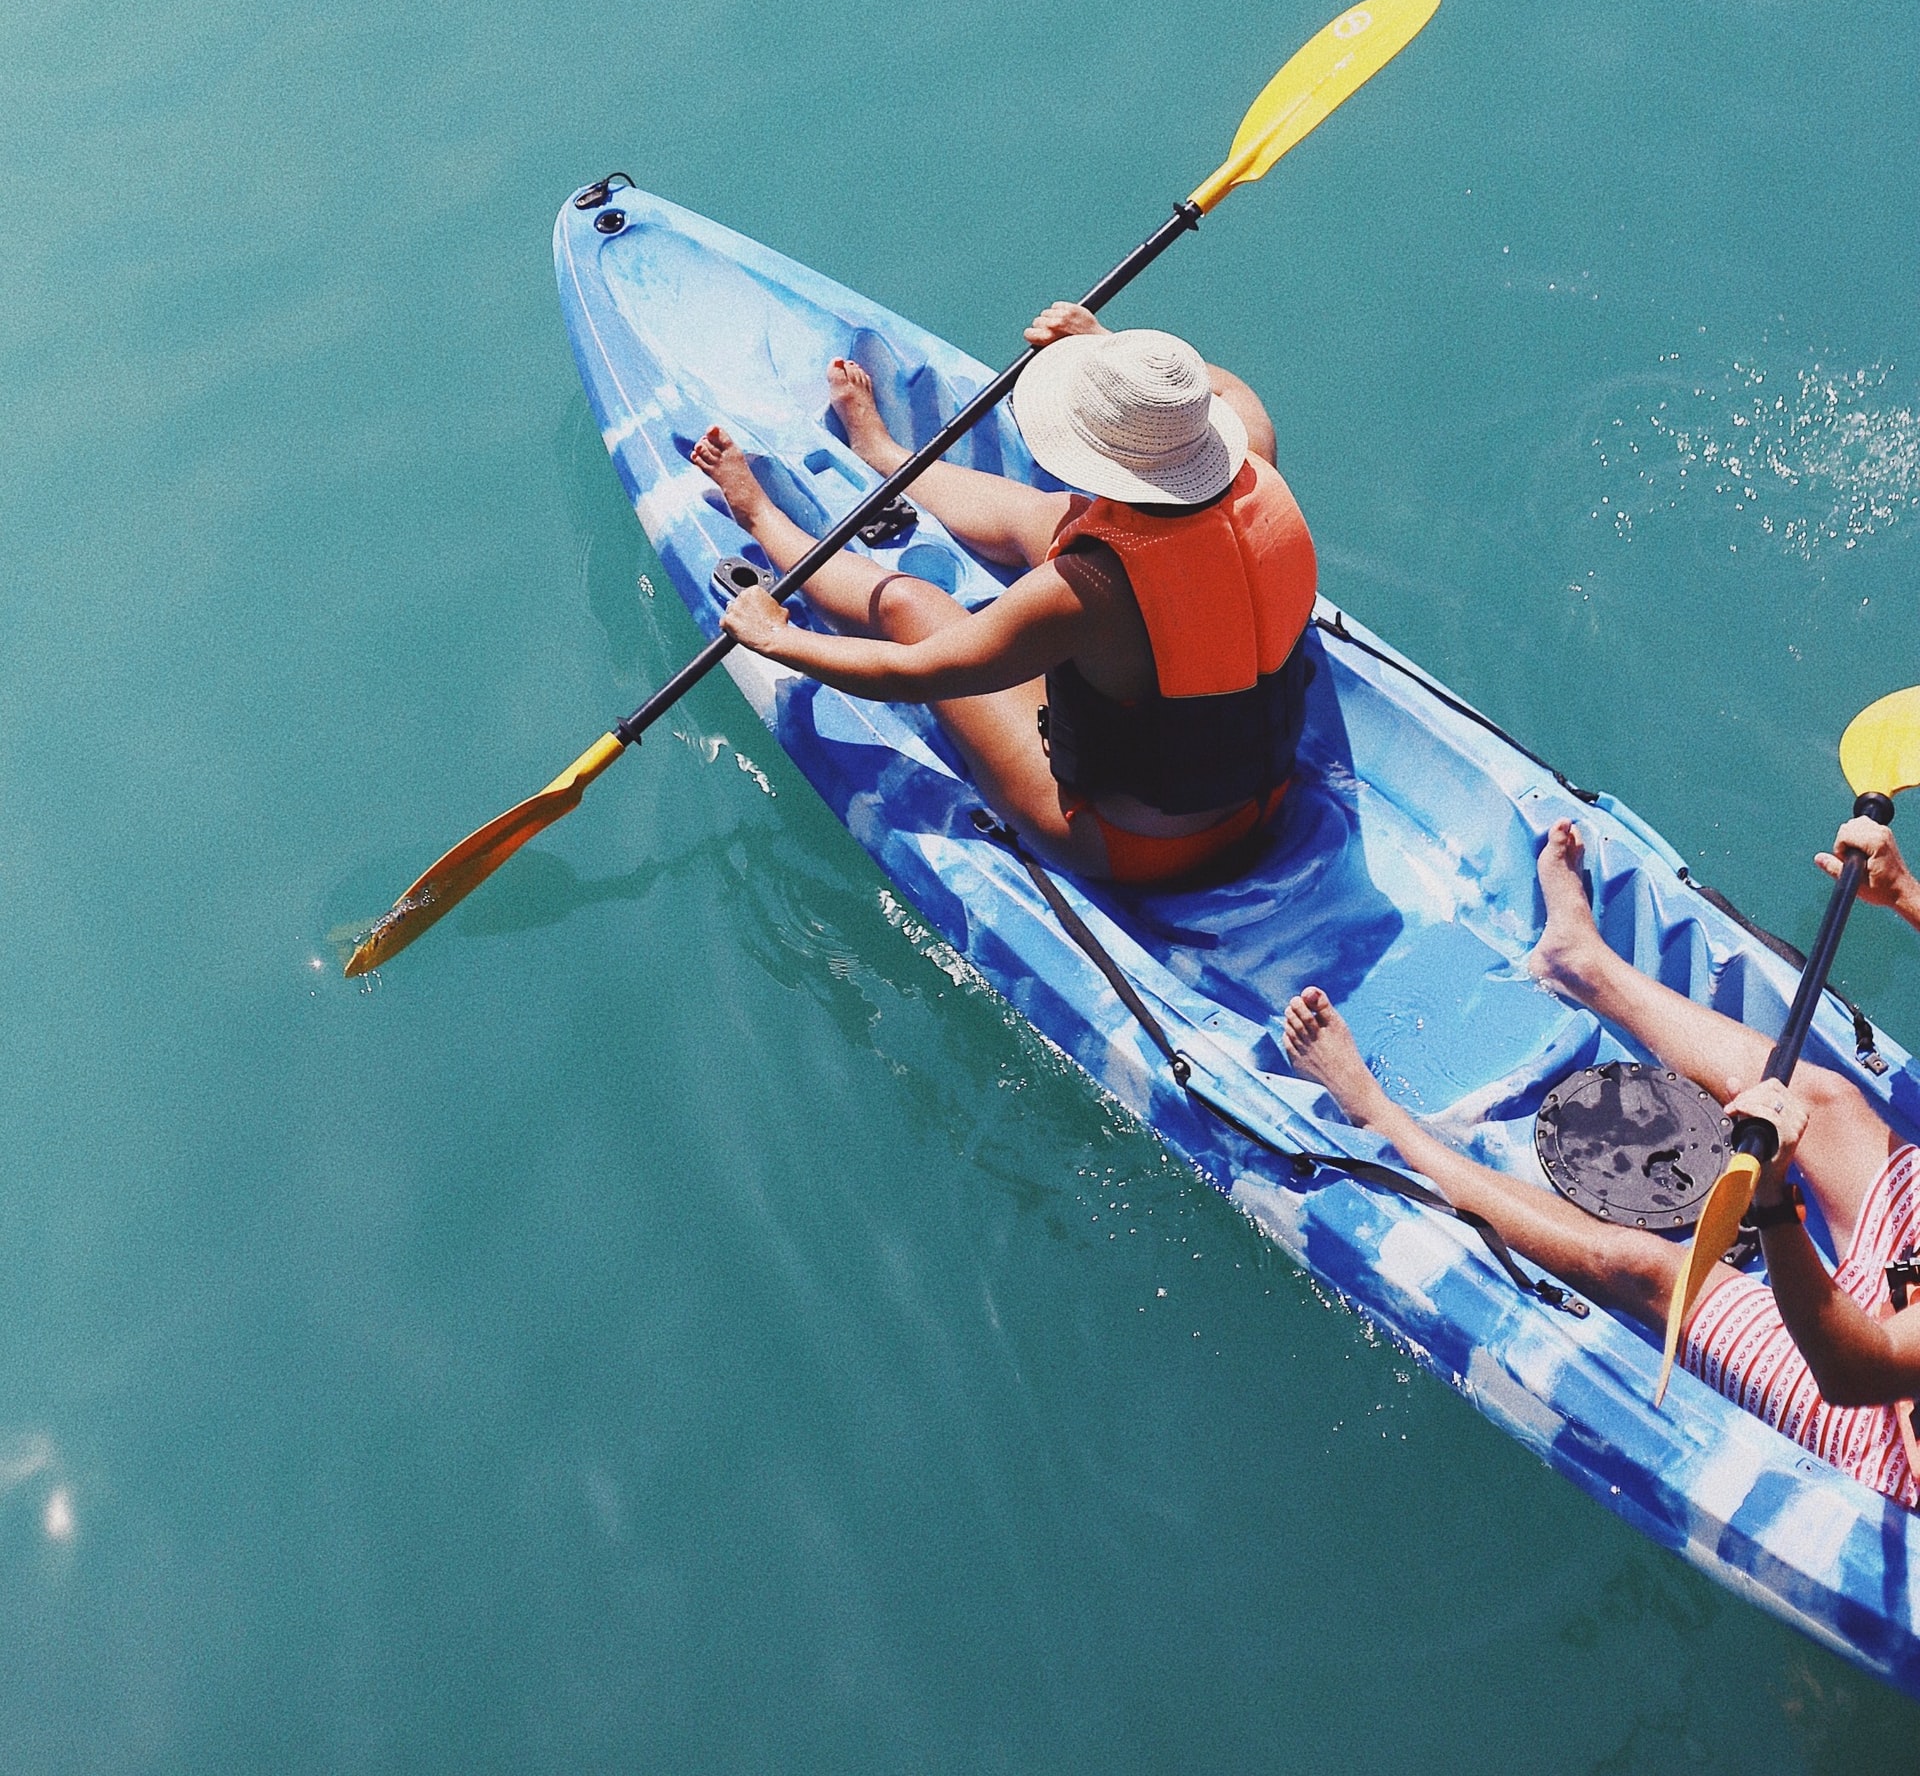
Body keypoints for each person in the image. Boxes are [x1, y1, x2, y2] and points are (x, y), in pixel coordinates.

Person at [1282, 816, 1920, 1507]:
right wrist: (1904, 893)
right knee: (1825, 1099)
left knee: (1643, 1268)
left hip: (1883, 1409)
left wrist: (1770, 1202)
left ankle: (1385, 1122)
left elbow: (1859, 1368)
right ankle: (1579, 960)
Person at [695, 302, 1317, 885]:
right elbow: (1225, 392)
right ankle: (886, 455)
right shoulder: (1254, 452)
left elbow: (911, 673)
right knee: (1051, 516)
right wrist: (1107, 351)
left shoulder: (1086, 592)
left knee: (918, 610)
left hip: (1134, 846)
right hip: (1266, 790)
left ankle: (761, 519)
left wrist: (775, 636)